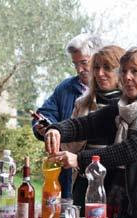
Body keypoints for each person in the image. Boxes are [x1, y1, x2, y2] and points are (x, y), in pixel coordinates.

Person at [44, 48, 137, 218]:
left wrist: (79, 159)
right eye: (123, 71)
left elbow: (131, 150)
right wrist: (56, 129)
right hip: (121, 207)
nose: (127, 77)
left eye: (135, 71)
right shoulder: (121, 108)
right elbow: (85, 124)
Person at [32, 33, 104, 198]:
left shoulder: (110, 93)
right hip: (67, 176)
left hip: (99, 177)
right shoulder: (65, 88)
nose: (79, 69)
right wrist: (43, 128)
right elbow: (45, 113)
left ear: (98, 58)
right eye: (75, 64)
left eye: (84, 63)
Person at [60, 45, 125, 216]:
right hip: (84, 182)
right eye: (96, 67)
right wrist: (55, 132)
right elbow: (69, 147)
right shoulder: (82, 103)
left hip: (116, 186)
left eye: (107, 68)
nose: (100, 73)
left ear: (121, 71)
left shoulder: (131, 107)